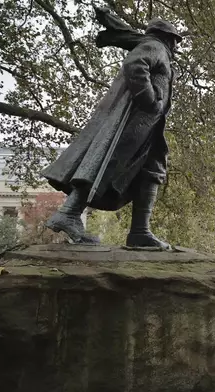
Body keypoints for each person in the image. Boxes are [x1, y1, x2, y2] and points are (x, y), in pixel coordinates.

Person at [42, 16, 183, 248]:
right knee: (107, 164)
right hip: (136, 124)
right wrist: (149, 99)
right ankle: (68, 213)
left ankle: (140, 231)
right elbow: (135, 65)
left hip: (150, 127)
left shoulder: (160, 52)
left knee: (152, 170)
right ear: (167, 38)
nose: (176, 46)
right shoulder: (155, 46)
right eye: (175, 40)